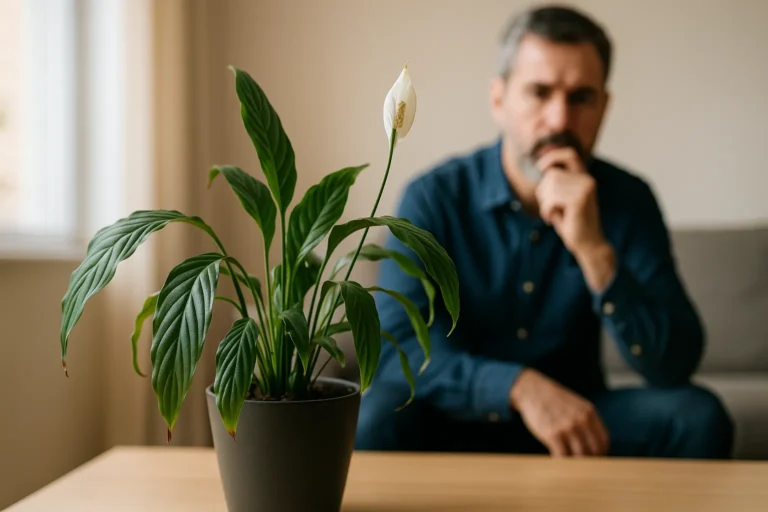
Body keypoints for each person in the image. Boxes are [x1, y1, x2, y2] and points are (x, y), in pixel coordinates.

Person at [355, 5, 734, 458]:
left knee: (698, 415)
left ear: (604, 108)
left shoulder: (628, 199)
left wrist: (593, 249)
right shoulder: (434, 197)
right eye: (540, 92)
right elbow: (395, 348)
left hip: (581, 419)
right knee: (375, 416)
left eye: (581, 97)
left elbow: (673, 365)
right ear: (499, 99)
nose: (559, 120)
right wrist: (518, 387)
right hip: (455, 421)